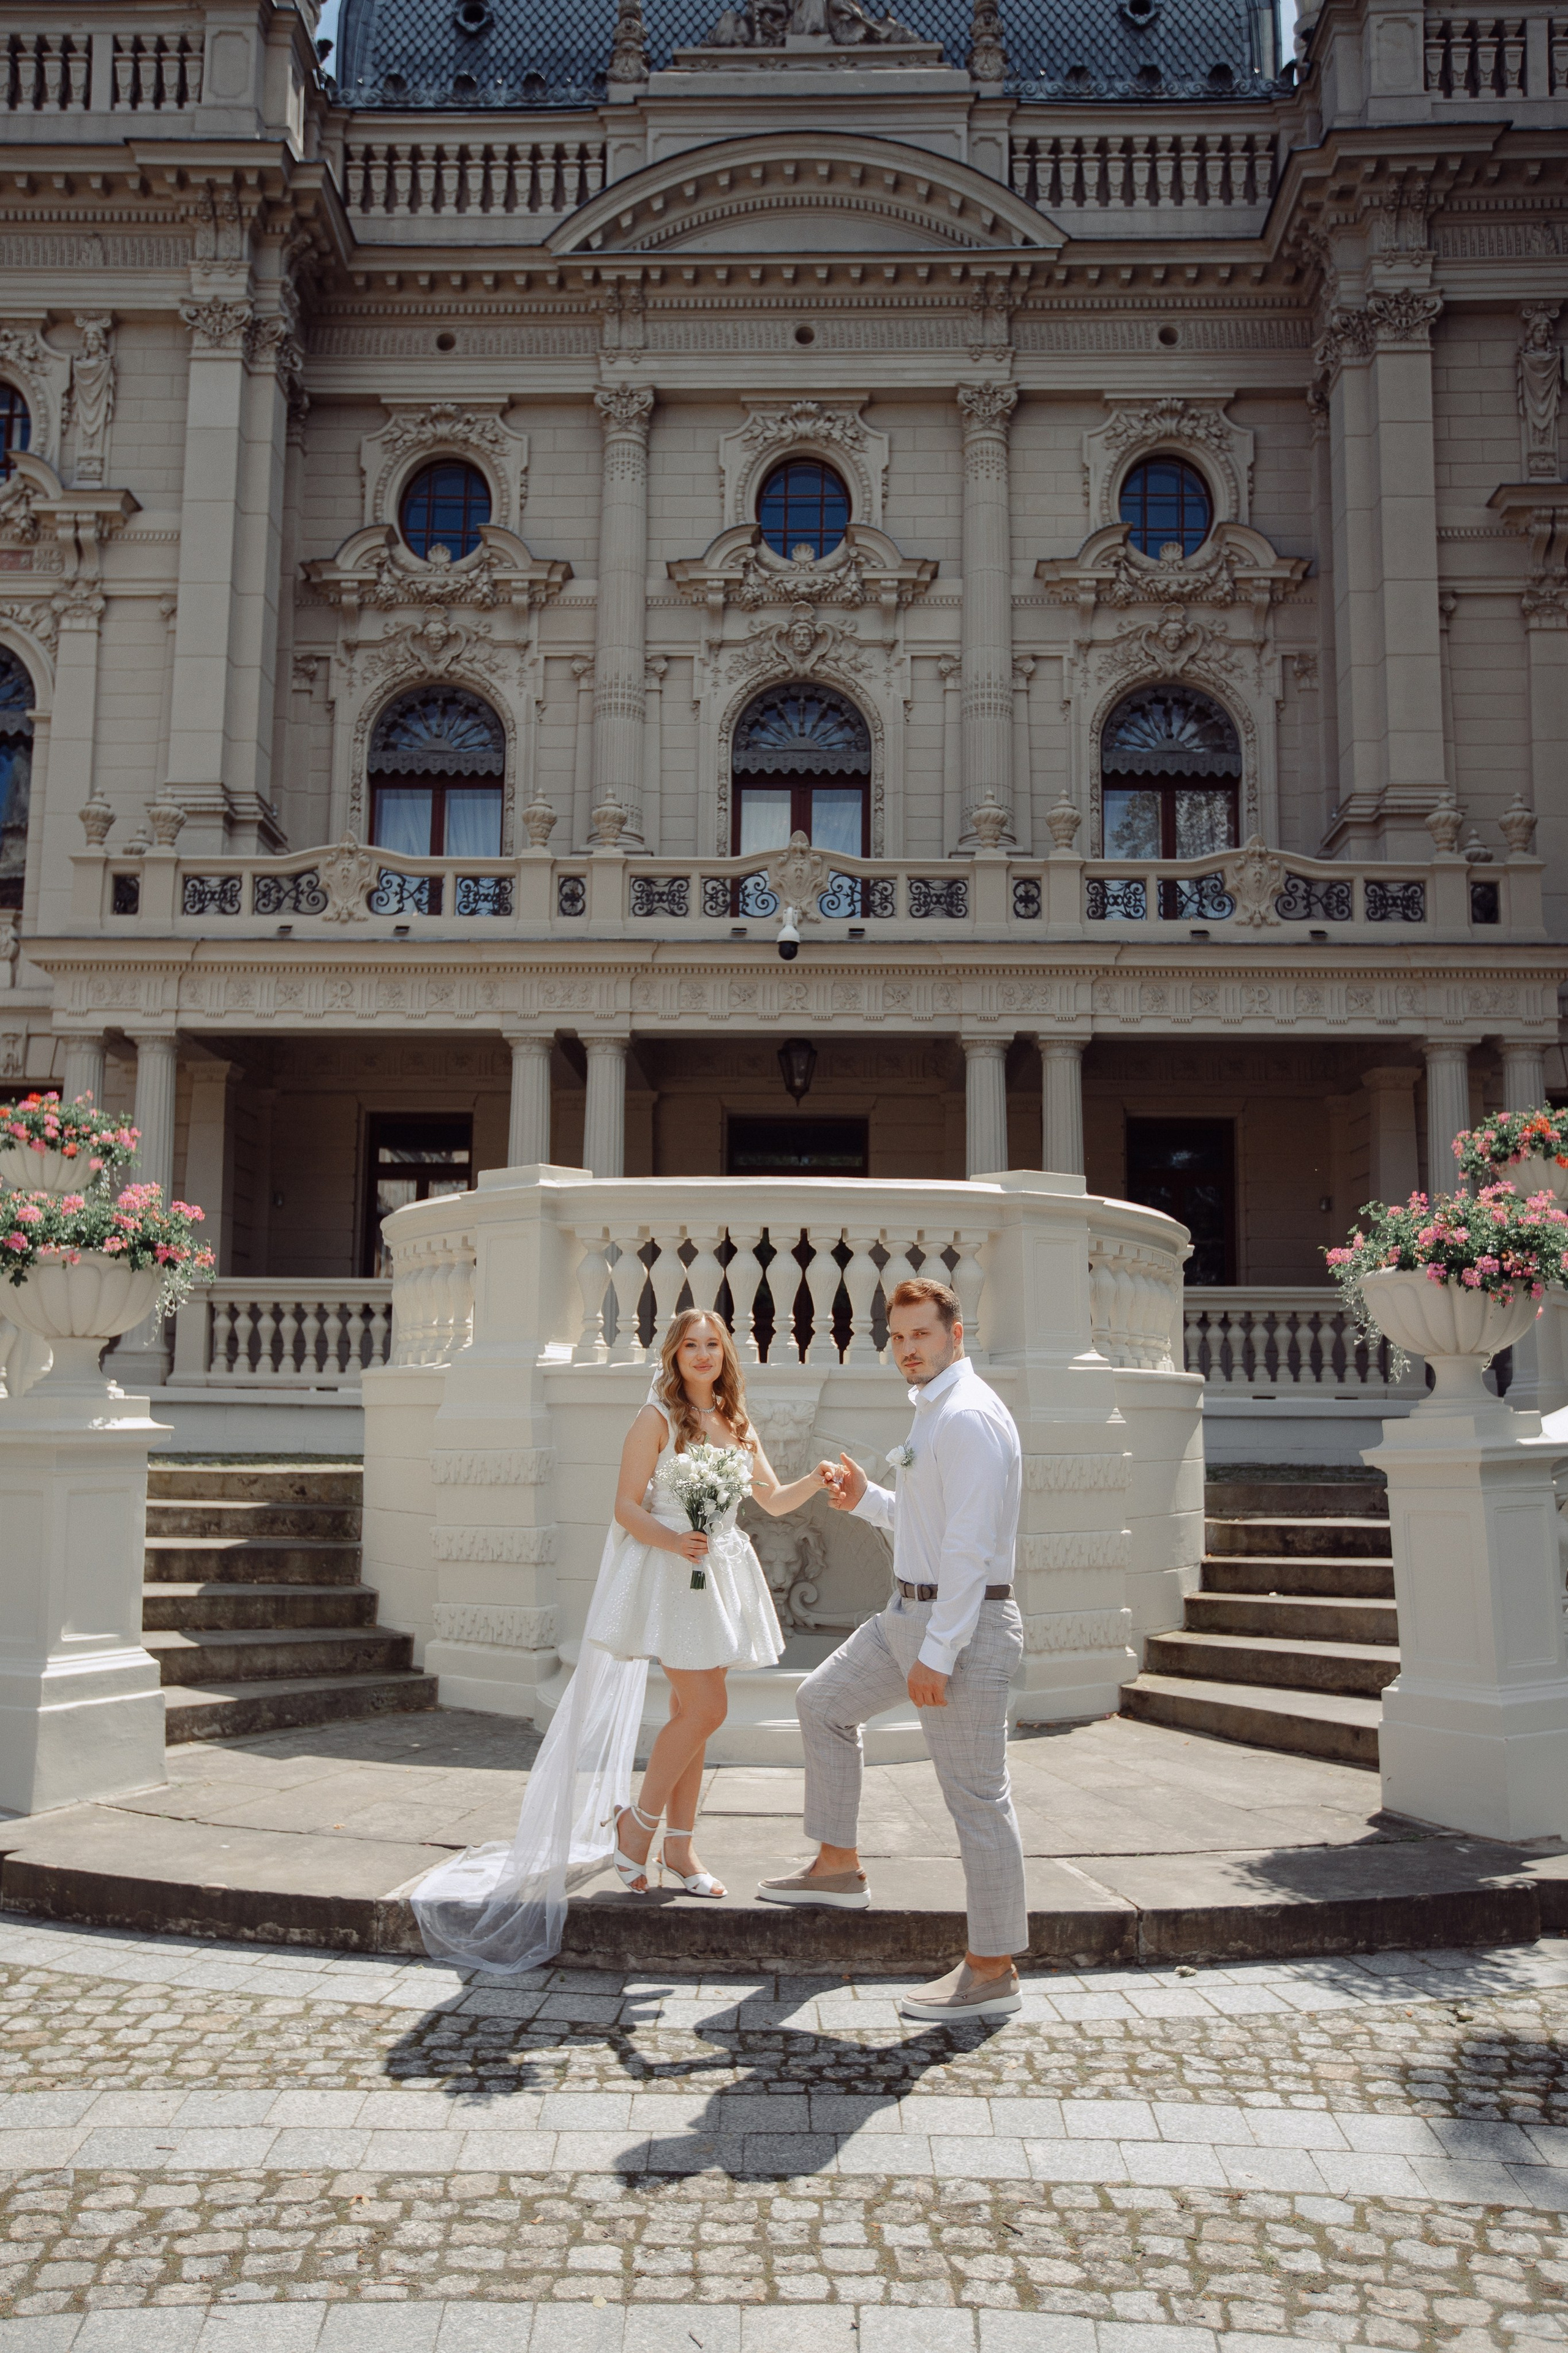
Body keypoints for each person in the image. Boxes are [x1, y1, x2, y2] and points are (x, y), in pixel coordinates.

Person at [413, 1307, 824, 1972]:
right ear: (673, 1354)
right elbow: (626, 1506)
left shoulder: (736, 1421)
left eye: (711, 1345)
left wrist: (820, 1481)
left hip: (720, 1574)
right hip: (671, 1570)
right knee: (706, 1711)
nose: (701, 1354)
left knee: (697, 1714)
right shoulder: (655, 1420)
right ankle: (638, 1824)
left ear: (724, 1355)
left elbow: (773, 1501)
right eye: (689, 1344)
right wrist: (675, 1538)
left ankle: (680, 1849)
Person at [757, 1276, 1028, 2022]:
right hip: (905, 1614)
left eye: (922, 1335)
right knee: (822, 1704)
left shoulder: (969, 1417)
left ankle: (992, 1967)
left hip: (961, 1630)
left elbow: (969, 1552)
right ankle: (838, 1865)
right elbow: (924, 1520)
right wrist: (864, 1500)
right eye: (899, 1336)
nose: (908, 1349)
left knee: (976, 1802)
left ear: (954, 1336)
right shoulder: (935, 1411)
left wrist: (939, 1654)